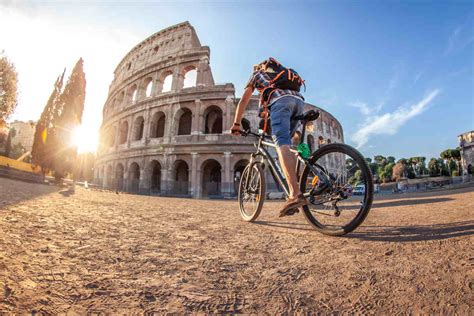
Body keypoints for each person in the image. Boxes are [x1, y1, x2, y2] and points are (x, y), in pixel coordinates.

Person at [230, 58, 307, 217]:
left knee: (281, 144)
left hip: (281, 101)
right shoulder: (280, 76)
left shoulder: (257, 74)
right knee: (287, 147)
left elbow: (244, 99)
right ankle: (300, 180)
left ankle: (295, 193)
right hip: (299, 101)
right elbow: (264, 111)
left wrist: (237, 123)